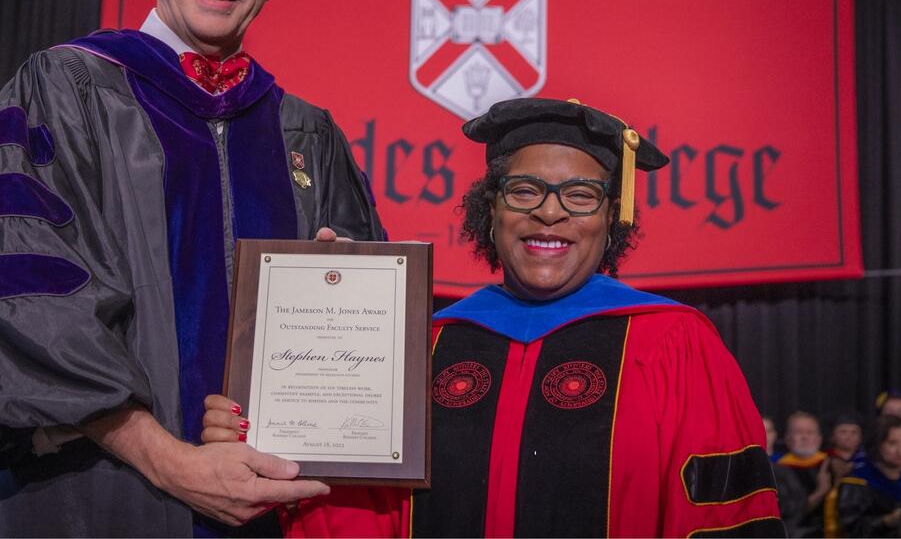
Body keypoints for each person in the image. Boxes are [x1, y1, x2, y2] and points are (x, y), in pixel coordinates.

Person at [0, 0, 383, 537]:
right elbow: (12, 308)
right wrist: (169, 461)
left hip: (268, 512)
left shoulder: (303, 133)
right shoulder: (66, 91)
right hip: (88, 507)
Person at [205, 97, 785, 536]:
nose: (550, 214)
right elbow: (356, 512)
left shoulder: (675, 343)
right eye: (524, 191)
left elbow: (727, 516)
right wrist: (269, 434)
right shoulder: (422, 345)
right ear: (491, 210)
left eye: (580, 195)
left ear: (613, 217)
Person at [830, 415, 901, 538]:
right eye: (892, 443)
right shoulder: (856, 480)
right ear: (877, 444)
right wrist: (887, 521)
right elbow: (851, 529)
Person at [775, 411, 832, 537]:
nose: (804, 437)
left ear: (819, 439)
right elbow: (788, 514)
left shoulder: (833, 465)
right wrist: (821, 492)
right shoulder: (777, 470)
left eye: (810, 432)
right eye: (799, 432)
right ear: (788, 438)